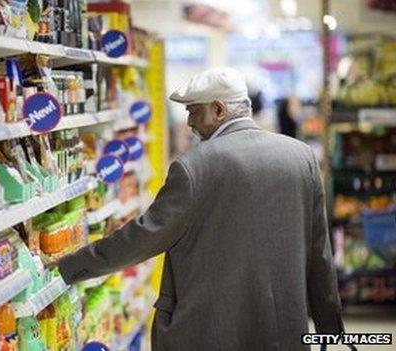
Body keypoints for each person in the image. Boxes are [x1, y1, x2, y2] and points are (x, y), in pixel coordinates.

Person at [50, 67, 346, 350]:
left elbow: (143, 237)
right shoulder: (301, 157)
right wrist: (332, 332)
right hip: (284, 332)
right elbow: (319, 254)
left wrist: (69, 267)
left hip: (210, 331)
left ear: (218, 110)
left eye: (193, 110)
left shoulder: (194, 166)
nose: (189, 122)